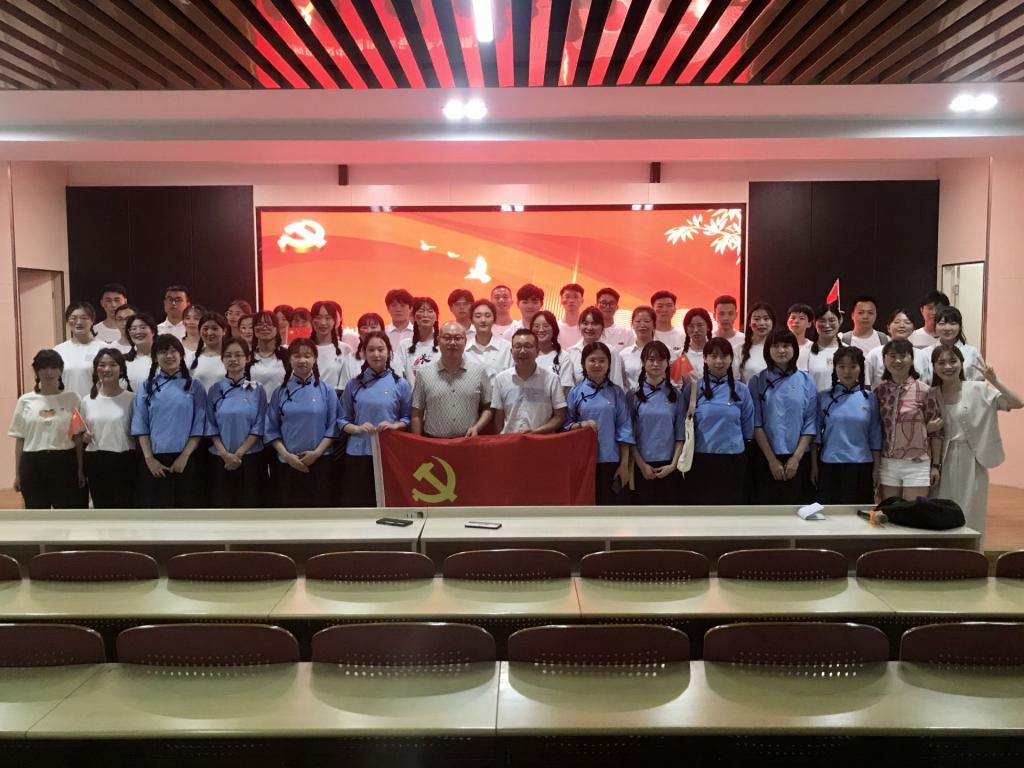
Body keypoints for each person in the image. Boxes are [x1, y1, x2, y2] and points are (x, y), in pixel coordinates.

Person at [933, 345, 1022, 538]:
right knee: (941, 510)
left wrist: (994, 381)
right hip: (940, 461)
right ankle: (943, 553)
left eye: (953, 361)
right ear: (933, 366)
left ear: (961, 363)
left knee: (971, 509)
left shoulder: (978, 389)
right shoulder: (932, 393)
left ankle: (971, 553)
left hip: (972, 458)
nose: (948, 367)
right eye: (941, 362)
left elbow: (1017, 403)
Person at [131, 334, 207, 508]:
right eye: (163, 352)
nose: (169, 356)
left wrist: (184, 456)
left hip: (187, 459)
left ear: (181, 355)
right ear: (155, 358)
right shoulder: (147, 386)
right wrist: (149, 459)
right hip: (154, 461)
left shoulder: (194, 386)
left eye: (173, 351)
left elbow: (199, 425)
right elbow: (141, 425)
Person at [338, 331, 412, 507]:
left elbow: (408, 417)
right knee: (358, 504)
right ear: (364, 353)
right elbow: (341, 419)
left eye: (381, 349)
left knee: (388, 503)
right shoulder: (353, 384)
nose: (376, 354)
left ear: (389, 352)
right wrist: (357, 428)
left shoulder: (400, 384)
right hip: (358, 452)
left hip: (389, 453)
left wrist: (395, 426)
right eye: (371, 350)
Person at [8, 349, 86, 509]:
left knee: (68, 513)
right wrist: (17, 474)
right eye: (43, 367)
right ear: (36, 371)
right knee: (37, 514)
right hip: (33, 463)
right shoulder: (25, 401)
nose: (49, 372)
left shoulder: (72, 398)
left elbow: (77, 437)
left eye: (53, 367)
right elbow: (20, 439)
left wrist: (80, 469)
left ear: (61, 370)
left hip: (65, 462)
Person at [265, 338, 337, 507]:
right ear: (289, 360)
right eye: (297, 356)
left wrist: (316, 453)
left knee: (320, 513)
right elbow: (271, 429)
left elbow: (333, 426)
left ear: (315, 359)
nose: (302, 360)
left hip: (320, 461)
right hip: (287, 463)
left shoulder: (327, 391)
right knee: (289, 514)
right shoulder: (279, 392)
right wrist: (287, 456)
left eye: (307, 356)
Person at [750, 330, 818, 503]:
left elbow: (810, 423)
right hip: (766, 457)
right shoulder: (757, 380)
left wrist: (796, 458)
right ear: (768, 350)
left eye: (786, 346)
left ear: (794, 348)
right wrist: (771, 460)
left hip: (798, 457)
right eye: (776, 346)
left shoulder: (807, 381)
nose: (781, 350)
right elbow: (756, 423)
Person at [684, 338, 754, 504]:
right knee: (703, 507)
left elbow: (748, 427)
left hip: (734, 458)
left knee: (731, 507)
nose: (719, 361)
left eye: (724, 356)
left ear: (731, 358)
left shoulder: (742, 390)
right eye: (713, 356)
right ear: (705, 358)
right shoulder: (693, 389)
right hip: (701, 458)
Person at [565, 341, 634, 505]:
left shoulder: (616, 393)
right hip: (582, 461)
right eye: (592, 360)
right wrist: (580, 425)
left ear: (609, 364)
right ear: (584, 363)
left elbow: (625, 428)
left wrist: (624, 464)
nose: (597, 365)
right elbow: (565, 424)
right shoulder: (575, 392)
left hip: (611, 460)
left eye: (602, 360)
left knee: (611, 510)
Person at [876, 339, 944, 501]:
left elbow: (937, 432)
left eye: (903, 356)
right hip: (887, 463)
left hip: (917, 462)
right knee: (889, 511)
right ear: (884, 360)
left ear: (912, 359)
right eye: (892, 356)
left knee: (914, 511)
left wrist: (935, 466)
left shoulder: (925, 390)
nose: (898, 361)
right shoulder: (879, 392)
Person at [812, 347, 881, 504]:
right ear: (834, 368)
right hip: (829, 465)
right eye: (841, 366)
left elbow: (875, 437)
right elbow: (815, 437)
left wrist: (876, 469)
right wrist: (814, 467)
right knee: (829, 513)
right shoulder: (823, 397)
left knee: (858, 513)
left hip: (862, 465)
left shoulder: (870, 398)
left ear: (861, 368)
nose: (847, 371)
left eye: (853, 366)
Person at [205, 338, 268, 508]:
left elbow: (260, 424)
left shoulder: (257, 389)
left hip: (251, 458)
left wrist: (239, 454)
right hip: (220, 458)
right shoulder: (214, 389)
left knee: (251, 506)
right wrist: (225, 454)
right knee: (221, 507)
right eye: (228, 355)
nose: (233, 359)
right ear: (222, 359)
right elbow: (210, 424)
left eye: (238, 355)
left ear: (247, 358)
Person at [410, 322, 492, 438]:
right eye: (447, 338)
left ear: (465, 341)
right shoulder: (424, 374)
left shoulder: (479, 372)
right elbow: (416, 413)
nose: (452, 343)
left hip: (468, 442)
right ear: (438, 340)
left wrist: (477, 427)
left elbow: (488, 407)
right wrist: (417, 443)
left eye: (457, 338)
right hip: (434, 442)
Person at [630, 340, 685, 505]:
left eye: (661, 360)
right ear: (643, 362)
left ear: (668, 363)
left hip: (669, 466)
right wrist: (641, 465)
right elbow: (629, 435)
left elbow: (681, 434)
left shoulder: (676, 395)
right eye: (651, 359)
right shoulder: (633, 395)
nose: (656, 364)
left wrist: (673, 465)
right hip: (641, 466)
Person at [79, 348, 136, 509]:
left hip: (125, 460)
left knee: (126, 508)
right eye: (102, 365)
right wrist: (84, 437)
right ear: (96, 369)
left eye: (113, 364)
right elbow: (81, 432)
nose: (107, 369)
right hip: (96, 460)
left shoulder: (132, 399)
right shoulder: (87, 400)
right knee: (101, 509)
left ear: (121, 369)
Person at [491, 329, 566, 434]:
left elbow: (560, 417)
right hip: (511, 440)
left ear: (537, 351)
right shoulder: (501, 379)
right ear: (511, 351)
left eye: (528, 346)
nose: (522, 351)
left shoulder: (552, 379)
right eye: (518, 346)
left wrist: (535, 433)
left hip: (542, 440)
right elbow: (498, 419)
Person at [865, 308, 933, 389]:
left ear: (913, 329)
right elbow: (867, 384)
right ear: (888, 328)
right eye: (897, 322)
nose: (902, 326)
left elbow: (926, 384)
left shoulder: (921, 355)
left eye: (907, 322)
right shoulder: (875, 354)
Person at [53, 302, 105, 399]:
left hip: (95, 404)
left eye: (84, 318)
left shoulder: (103, 348)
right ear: (67, 321)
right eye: (73, 318)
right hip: (67, 404)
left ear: (92, 320)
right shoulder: (58, 350)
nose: (79, 322)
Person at [567, 307, 625, 388]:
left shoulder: (611, 351)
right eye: (585, 323)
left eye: (594, 324)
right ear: (579, 325)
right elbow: (569, 385)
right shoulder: (571, 352)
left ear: (602, 327)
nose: (589, 328)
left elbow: (616, 383)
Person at [311, 300, 357, 391]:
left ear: (335, 321)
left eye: (328, 318)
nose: (323, 323)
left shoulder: (345, 349)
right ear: (312, 320)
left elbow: (346, 384)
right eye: (318, 317)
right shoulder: (303, 348)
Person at [930, 305, 984, 381]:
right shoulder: (926, 353)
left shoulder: (972, 352)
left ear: (960, 326)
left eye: (952, 323)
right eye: (942, 323)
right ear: (935, 326)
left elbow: (979, 381)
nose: (947, 328)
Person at [464, 299, 512, 383]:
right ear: (471, 320)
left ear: (494, 319)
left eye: (487, 316)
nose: (483, 320)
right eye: (478, 316)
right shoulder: (464, 350)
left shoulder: (507, 348)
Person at [531, 310, 575, 393]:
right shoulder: (526, 355)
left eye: (546, 326)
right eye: (536, 326)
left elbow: (565, 388)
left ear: (554, 329)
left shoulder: (563, 356)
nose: (541, 330)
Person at [186, 311, 229, 392]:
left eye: (215, 328)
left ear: (224, 331)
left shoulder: (231, 358)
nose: (209, 333)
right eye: (205, 329)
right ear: (199, 331)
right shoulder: (190, 358)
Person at [249, 310, 286, 400]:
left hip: (281, 405)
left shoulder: (287, 355)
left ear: (276, 328)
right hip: (254, 405)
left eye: (269, 324)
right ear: (254, 329)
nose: (264, 327)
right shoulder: (248, 356)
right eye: (259, 324)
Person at [807, 303, 843, 392]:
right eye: (822, 321)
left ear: (840, 321)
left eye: (832, 320)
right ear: (814, 323)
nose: (827, 325)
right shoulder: (806, 351)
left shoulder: (848, 351)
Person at [404, 297, 441, 383]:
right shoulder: (404, 345)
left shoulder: (443, 344)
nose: (425, 315)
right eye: (421, 311)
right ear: (414, 317)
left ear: (436, 317)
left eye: (430, 311)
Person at [737, 302, 775, 384]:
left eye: (766, 319)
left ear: (773, 322)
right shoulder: (739, 349)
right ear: (749, 323)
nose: (761, 323)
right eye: (757, 319)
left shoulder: (780, 349)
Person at [621, 305, 656, 390]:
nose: (642, 325)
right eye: (638, 321)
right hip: (632, 397)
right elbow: (621, 383)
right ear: (632, 324)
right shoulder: (623, 354)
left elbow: (675, 381)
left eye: (647, 321)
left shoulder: (666, 350)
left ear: (654, 325)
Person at [124, 313, 158, 393]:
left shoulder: (164, 358)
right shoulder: (123, 361)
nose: (138, 332)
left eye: (143, 327)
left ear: (153, 331)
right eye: (133, 329)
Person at [677, 307, 712, 383]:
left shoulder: (717, 353)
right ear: (686, 329)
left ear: (708, 327)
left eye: (700, 325)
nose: (696, 330)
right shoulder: (680, 355)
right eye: (691, 326)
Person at [650, 290, 685, 361]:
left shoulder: (683, 336)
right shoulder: (646, 335)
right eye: (660, 306)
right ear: (652, 309)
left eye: (669, 306)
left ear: (675, 309)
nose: (665, 310)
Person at [597, 287, 635, 352]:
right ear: (596, 305)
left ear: (617, 307)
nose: (607, 306)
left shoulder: (626, 333)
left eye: (611, 303)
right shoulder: (588, 331)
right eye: (603, 303)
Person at [785, 303, 815, 371]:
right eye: (793, 318)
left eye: (801, 318)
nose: (796, 321)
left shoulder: (813, 347)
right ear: (787, 322)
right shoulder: (779, 346)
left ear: (809, 324)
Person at [384, 288, 415, 352]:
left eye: (402, 306)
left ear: (411, 309)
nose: (398, 309)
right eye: (394, 305)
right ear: (388, 309)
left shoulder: (419, 333)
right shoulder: (383, 332)